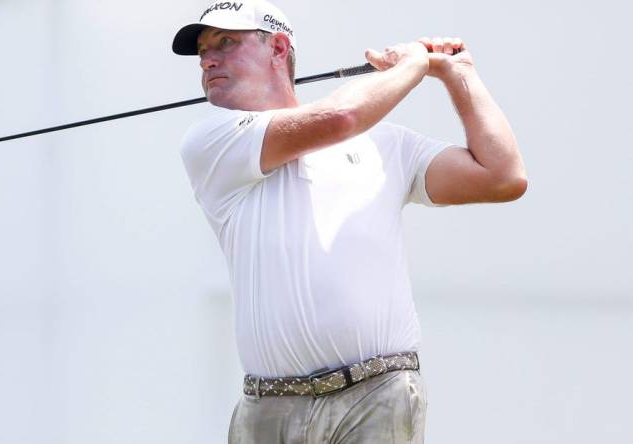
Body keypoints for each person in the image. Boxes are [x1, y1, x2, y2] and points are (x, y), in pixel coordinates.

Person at [172, 1, 527, 442]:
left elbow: (502, 176)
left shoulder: (386, 143)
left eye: (225, 43)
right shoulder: (211, 139)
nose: (208, 59)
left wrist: (459, 76)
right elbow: (341, 117)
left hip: (377, 394)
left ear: (278, 48)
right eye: (203, 51)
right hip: (268, 409)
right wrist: (412, 66)